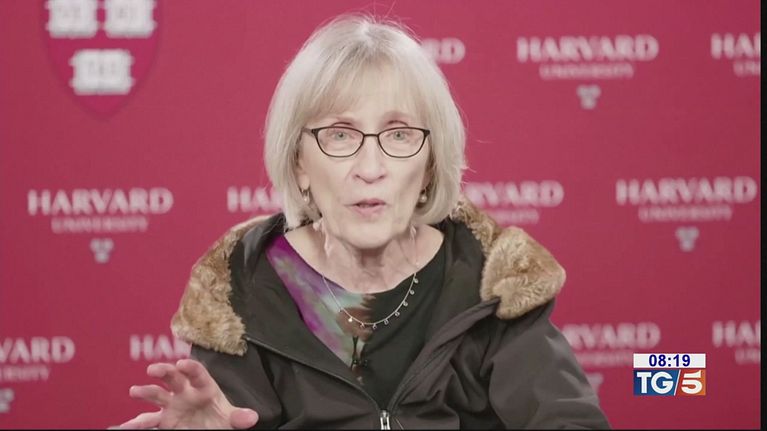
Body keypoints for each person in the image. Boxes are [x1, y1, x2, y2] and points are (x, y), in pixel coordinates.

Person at [116, 14, 610, 429]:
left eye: (398, 135)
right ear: (299, 164)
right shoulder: (243, 289)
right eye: (340, 135)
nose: (370, 168)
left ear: (429, 166)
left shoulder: (491, 282)